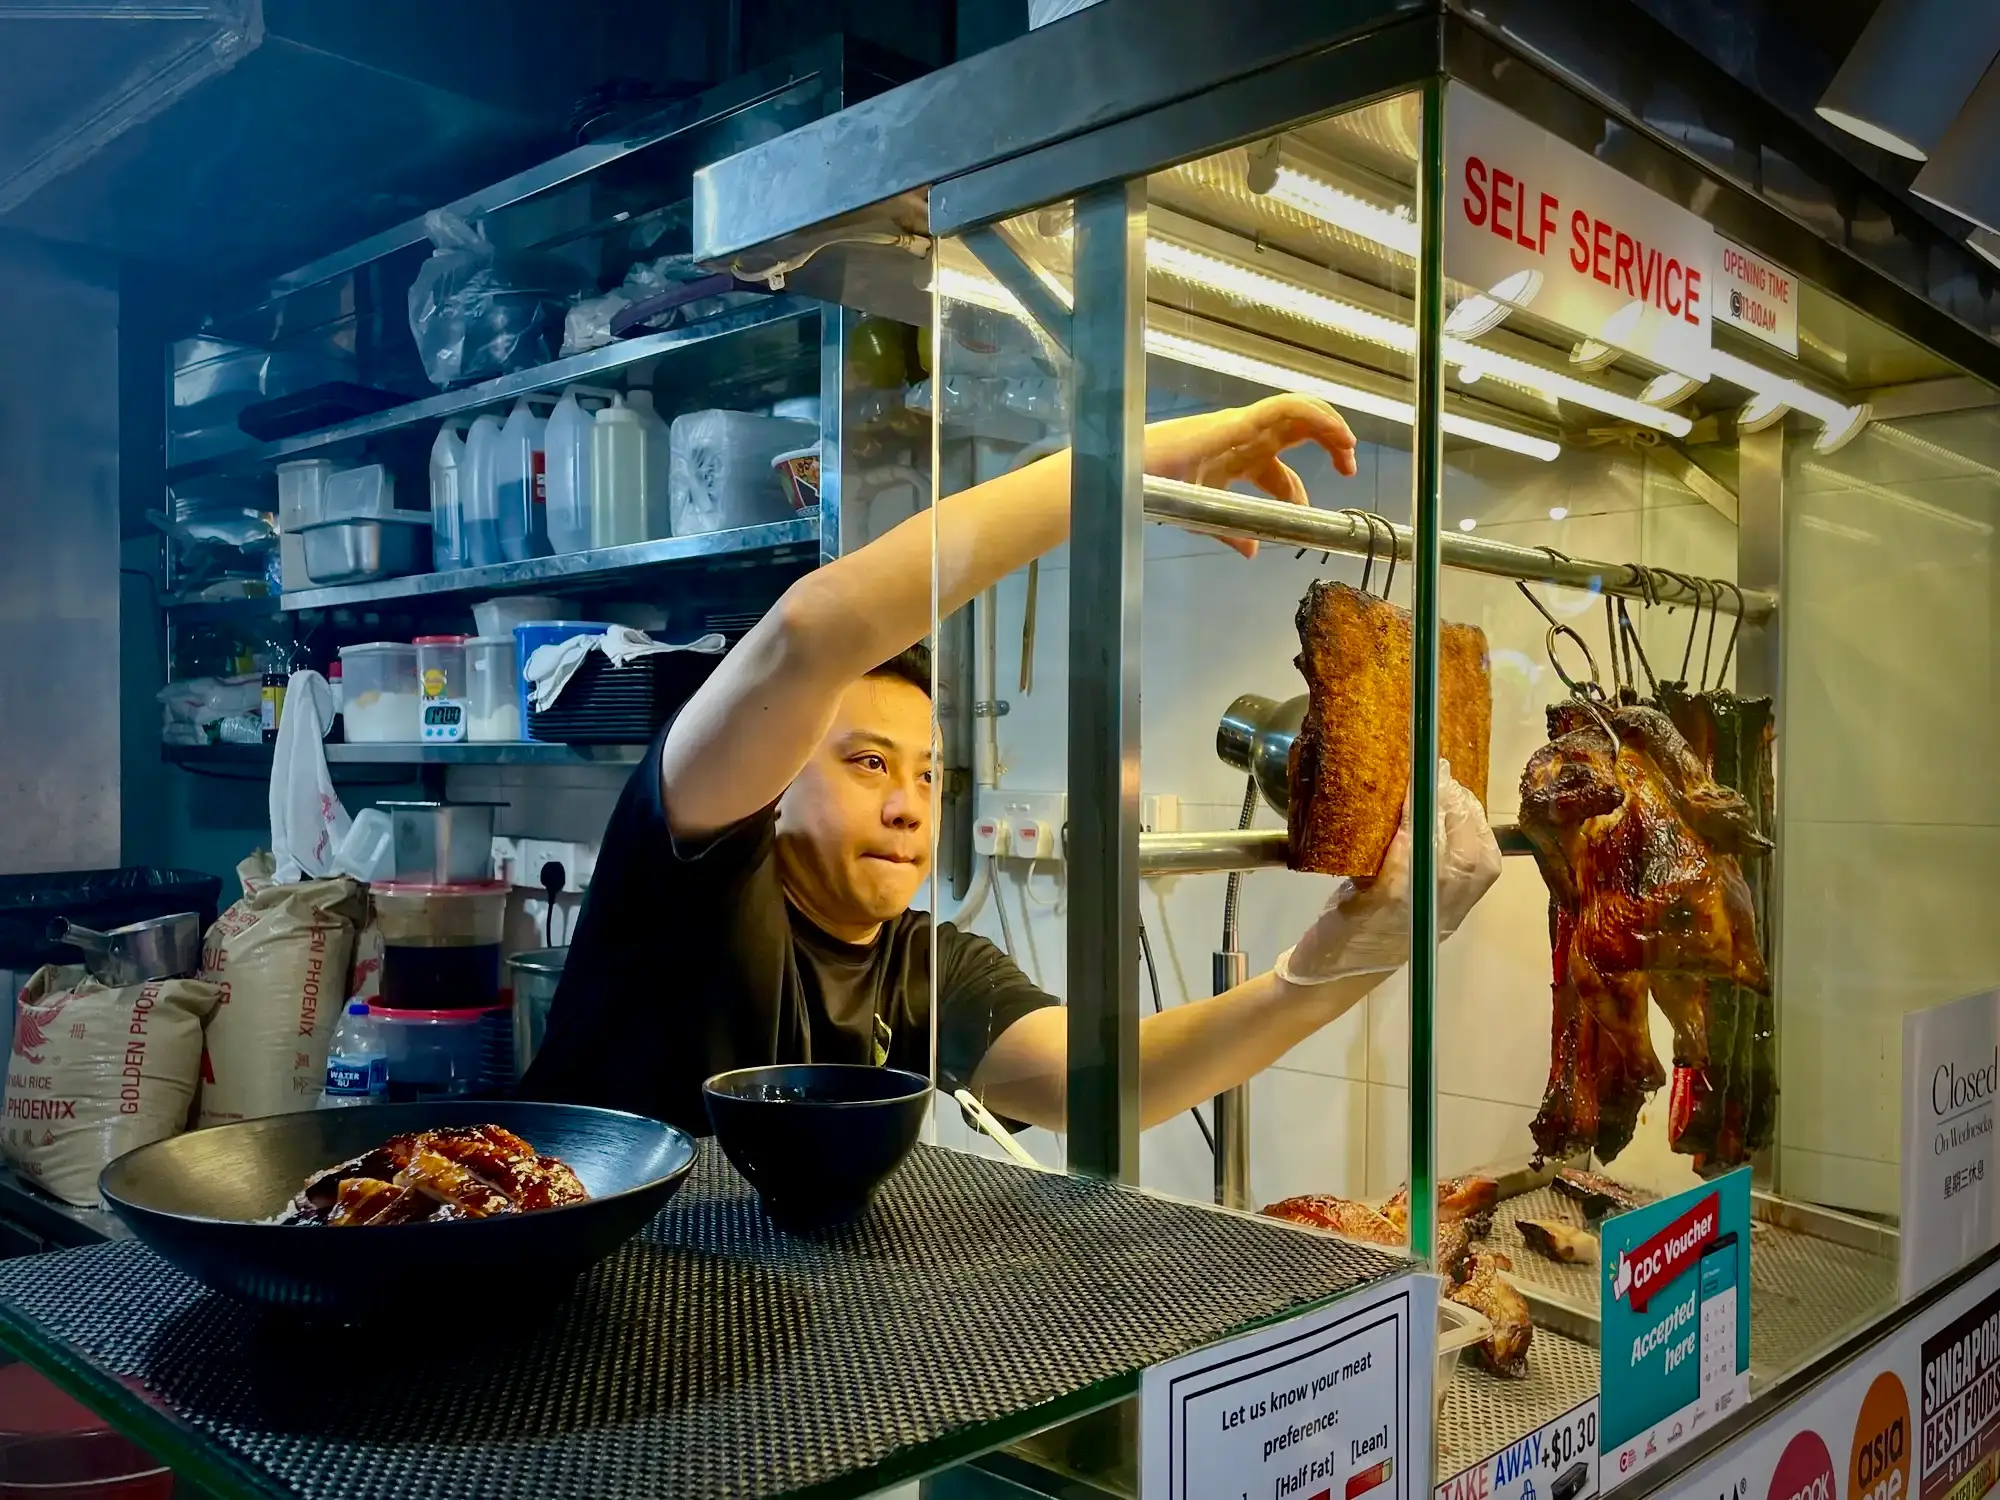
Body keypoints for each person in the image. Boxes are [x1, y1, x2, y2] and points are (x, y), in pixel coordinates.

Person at [522, 394, 1502, 1137]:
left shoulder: (922, 968)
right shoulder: (688, 877)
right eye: (867, 763)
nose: (909, 807)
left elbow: (1109, 1086)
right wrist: (1130, 463)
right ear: (772, 782)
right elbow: (811, 630)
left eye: (924, 774)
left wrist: (1337, 965)